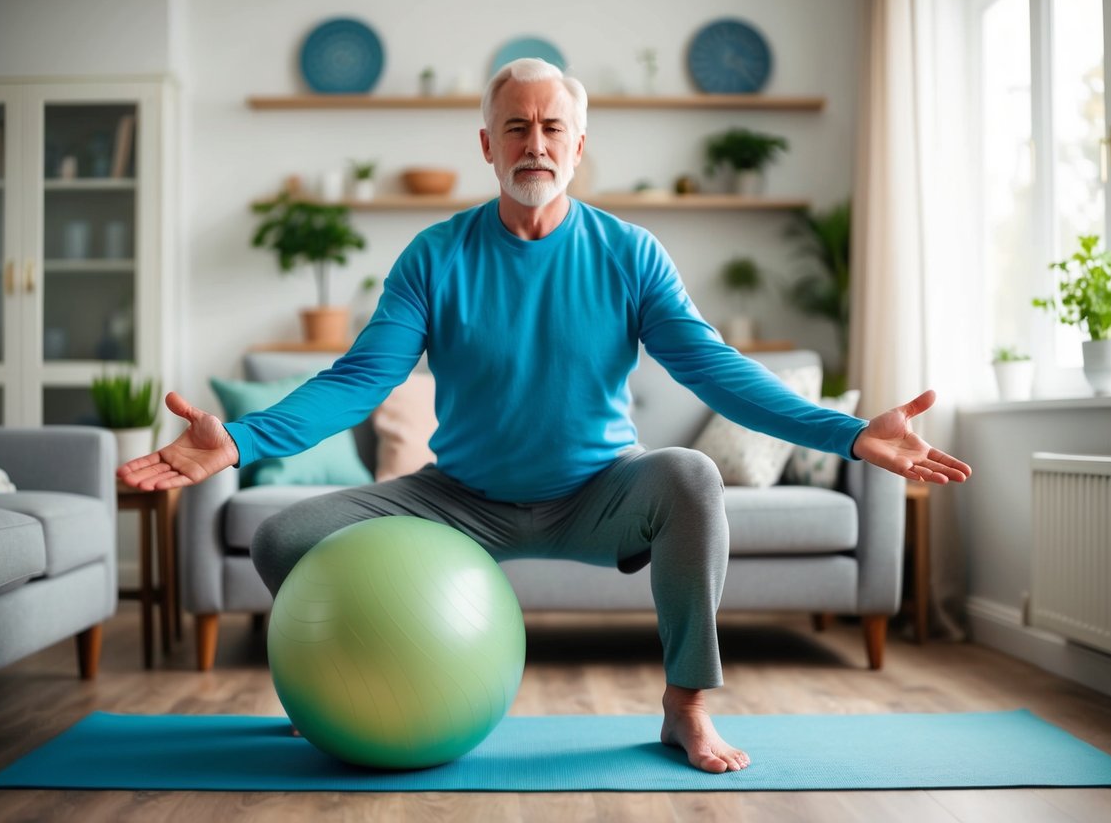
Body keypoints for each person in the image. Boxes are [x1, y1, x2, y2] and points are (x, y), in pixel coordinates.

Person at [120, 58, 972, 774]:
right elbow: (358, 381)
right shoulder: (435, 255)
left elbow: (717, 373)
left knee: (690, 474)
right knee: (279, 537)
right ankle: (342, 690)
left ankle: (685, 707)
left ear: (577, 145)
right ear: (487, 146)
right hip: (457, 499)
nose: (535, 144)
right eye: (516, 128)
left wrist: (849, 433)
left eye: (552, 127)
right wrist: (238, 439)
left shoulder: (629, 254)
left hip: (595, 494)